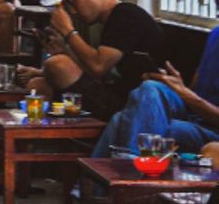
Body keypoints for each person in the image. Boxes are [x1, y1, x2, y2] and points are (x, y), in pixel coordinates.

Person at [24, 0, 169, 120]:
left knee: (58, 65)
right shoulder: (114, 18)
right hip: (115, 91)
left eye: (72, 1)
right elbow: (95, 69)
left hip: (135, 101)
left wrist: (68, 31)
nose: (72, 11)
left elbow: (98, 67)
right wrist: (64, 48)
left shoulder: (126, 15)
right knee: (38, 85)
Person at [90, 20, 219, 156]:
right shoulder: (215, 34)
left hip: (213, 132)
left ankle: (127, 167)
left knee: (123, 120)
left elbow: (191, 97)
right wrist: (176, 84)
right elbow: (196, 91)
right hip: (195, 116)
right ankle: (126, 165)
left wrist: (183, 92)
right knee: (151, 88)